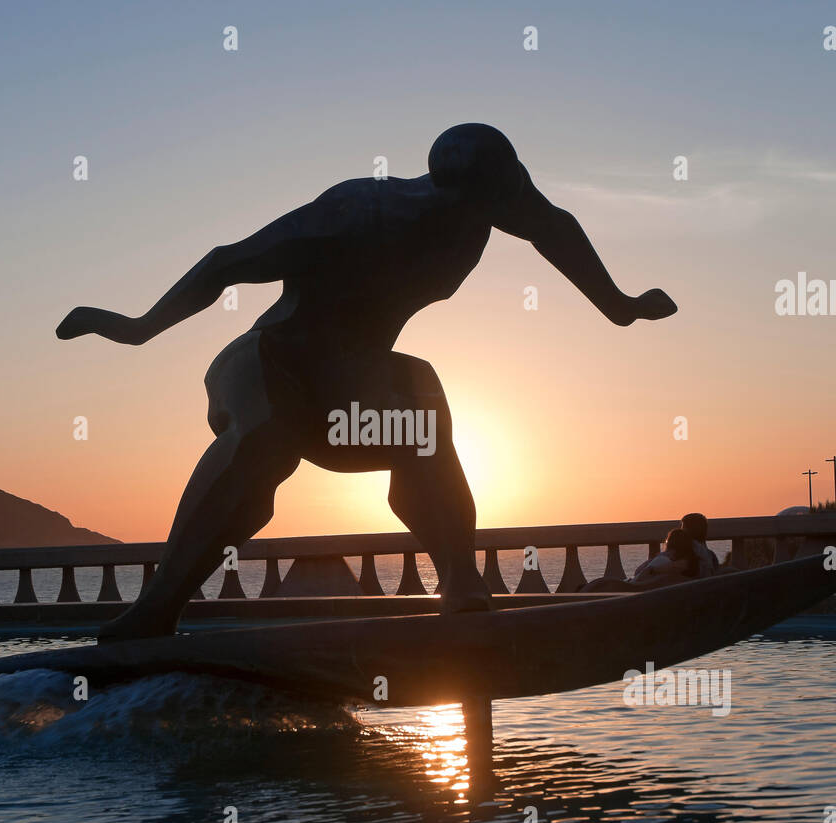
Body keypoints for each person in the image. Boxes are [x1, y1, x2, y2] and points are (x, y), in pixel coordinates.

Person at [57, 123, 678, 641]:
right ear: (449, 188)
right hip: (269, 361)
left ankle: (462, 591)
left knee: (421, 399)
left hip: (350, 389)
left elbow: (554, 227)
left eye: (504, 199)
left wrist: (620, 307)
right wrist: (137, 330)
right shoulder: (360, 211)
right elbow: (227, 263)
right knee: (267, 436)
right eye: (484, 203)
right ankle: (155, 610)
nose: (499, 215)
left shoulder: (501, 197)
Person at [631, 528, 700, 584]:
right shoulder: (692, 561)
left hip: (642, 589)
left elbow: (638, 572)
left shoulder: (665, 560)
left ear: (670, 543)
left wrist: (652, 568)